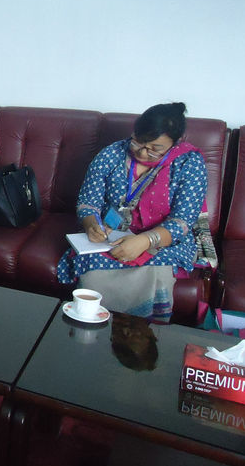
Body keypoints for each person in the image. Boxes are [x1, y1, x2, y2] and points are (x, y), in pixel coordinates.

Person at [56, 102, 217, 321]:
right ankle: (93, 328)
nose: (142, 152)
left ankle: (140, 333)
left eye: (155, 149)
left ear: (175, 143)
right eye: (138, 142)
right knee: (92, 272)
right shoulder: (111, 154)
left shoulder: (189, 163)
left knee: (157, 274)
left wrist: (145, 241)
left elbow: (182, 221)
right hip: (112, 234)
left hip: (163, 239)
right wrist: (91, 223)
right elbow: (88, 201)